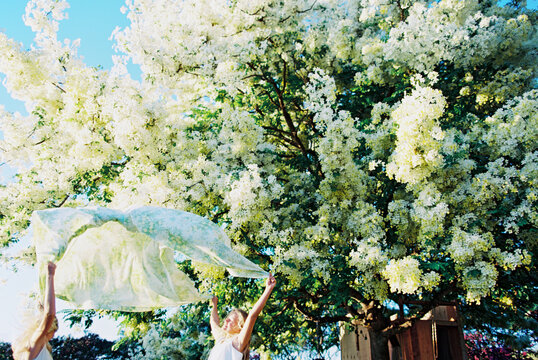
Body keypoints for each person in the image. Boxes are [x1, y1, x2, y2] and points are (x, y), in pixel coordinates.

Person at [208, 273, 276, 360]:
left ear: (241, 326)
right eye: (226, 319)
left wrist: (268, 289)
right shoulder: (221, 340)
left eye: (230, 320)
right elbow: (214, 322)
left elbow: (252, 316)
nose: (226, 321)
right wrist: (214, 304)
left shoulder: (237, 342)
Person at [12, 261, 58, 360]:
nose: (53, 336)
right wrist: (50, 275)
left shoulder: (35, 347)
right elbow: (50, 314)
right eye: (54, 332)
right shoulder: (35, 341)